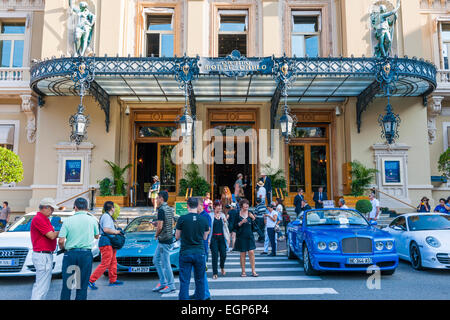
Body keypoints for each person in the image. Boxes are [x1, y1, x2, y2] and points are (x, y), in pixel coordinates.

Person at [58, 198, 99, 300]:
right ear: (87, 208)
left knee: (67, 285)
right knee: (82, 285)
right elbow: (97, 236)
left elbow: (61, 241)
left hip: (70, 255)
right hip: (85, 255)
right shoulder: (92, 220)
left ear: (75, 207)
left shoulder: (68, 220)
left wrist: (63, 248)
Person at [175, 197, 210, 300]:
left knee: (185, 280)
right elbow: (205, 236)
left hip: (185, 252)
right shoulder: (203, 219)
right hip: (199, 252)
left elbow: (177, 236)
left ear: (187, 206)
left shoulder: (182, 219)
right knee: (200, 280)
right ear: (198, 206)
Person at [88, 201, 123, 290]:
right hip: (106, 242)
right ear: (112, 208)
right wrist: (117, 232)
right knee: (105, 263)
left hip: (109, 241)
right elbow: (106, 229)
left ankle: (113, 280)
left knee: (113, 261)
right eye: (114, 207)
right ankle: (91, 280)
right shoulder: (106, 217)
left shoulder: (107, 216)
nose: (115, 209)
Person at [30, 198, 60, 300]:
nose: (53, 211)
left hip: (45, 255)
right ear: (45, 207)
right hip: (42, 255)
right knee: (41, 287)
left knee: (44, 286)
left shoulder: (44, 218)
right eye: (51, 209)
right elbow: (51, 235)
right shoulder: (39, 218)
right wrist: (63, 231)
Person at [151, 190, 176, 294]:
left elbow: (161, 226)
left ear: (161, 198)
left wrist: (156, 235)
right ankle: (163, 283)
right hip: (168, 238)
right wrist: (157, 223)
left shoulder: (161, 210)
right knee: (156, 260)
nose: (156, 200)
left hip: (164, 240)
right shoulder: (169, 209)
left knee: (166, 263)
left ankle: (171, 286)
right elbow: (171, 222)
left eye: (157, 198)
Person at [233, 199, 258, 277]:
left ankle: (253, 271)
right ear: (241, 205)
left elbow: (255, 225)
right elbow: (234, 226)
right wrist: (240, 223)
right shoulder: (237, 214)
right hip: (241, 236)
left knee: (251, 252)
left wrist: (253, 218)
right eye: (245, 204)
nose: (247, 205)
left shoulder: (250, 213)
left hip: (249, 235)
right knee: (242, 253)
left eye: (247, 204)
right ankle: (243, 271)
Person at [209, 200, 230, 279]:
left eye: (221, 206)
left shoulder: (223, 215)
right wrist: (208, 239)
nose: (220, 207)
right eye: (218, 206)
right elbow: (208, 227)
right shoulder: (210, 215)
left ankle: (222, 266)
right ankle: (215, 272)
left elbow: (226, 226)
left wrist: (225, 221)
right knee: (214, 255)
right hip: (213, 238)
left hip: (221, 238)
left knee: (223, 254)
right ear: (214, 206)